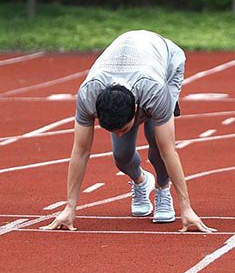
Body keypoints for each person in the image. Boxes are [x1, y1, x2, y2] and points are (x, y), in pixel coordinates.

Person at [42, 30, 215, 233]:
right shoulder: (88, 94)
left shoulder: (154, 90)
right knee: (121, 155)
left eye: (123, 128)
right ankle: (141, 182)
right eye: (112, 131)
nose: (118, 134)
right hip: (126, 69)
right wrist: (70, 207)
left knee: (158, 143)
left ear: (135, 111)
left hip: (167, 65)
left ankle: (161, 187)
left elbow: (170, 150)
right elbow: (80, 151)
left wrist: (186, 209)